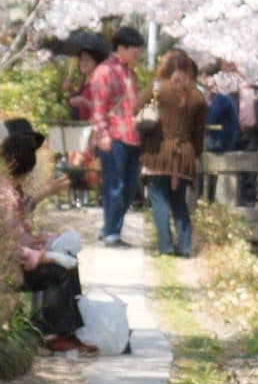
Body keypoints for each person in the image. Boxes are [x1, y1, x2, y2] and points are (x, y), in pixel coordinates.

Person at [0, 123, 92, 354]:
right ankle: (54, 333)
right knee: (61, 269)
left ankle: (66, 332)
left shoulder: (8, 189)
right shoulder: (4, 194)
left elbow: (17, 226)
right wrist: (42, 256)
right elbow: (7, 246)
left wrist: (32, 241)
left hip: (17, 256)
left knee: (66, 260)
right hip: (9, 266)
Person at [144, 48, 209, 259]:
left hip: (157, 153)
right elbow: (199, 136)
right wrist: (195, 154)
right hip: (184, 156)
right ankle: (185, 245)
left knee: (159, 199)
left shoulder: (156, 89)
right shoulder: (198, 97)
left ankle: (165, 245)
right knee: (179, 201)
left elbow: (136, 110)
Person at [86, 26, 144, 247]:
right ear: (121, 48)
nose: (137, 53)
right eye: (134, 48)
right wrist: (102, 134)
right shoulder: (105, 71)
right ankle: (112, 233)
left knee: (129, 186)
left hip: (132, 135)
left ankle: (110, 227)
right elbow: (98, 107)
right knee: (115, 185)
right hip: (114, 136)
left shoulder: (131, 72)